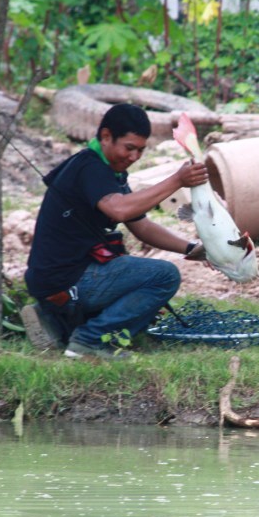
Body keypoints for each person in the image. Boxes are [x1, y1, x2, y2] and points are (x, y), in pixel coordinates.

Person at [22, 103, 208, 359]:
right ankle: (88, 342)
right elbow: (118, 210)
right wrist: (177, 180)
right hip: (66, 278)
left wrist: (192, 249)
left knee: (144, 310)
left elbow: (141, 225)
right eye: (129, 148)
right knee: (164, 276)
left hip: (60, 278)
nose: (134, 157)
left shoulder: (110, 172)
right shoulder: (90, 167)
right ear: (106, 137)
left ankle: (59, 321)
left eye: (141, 150)